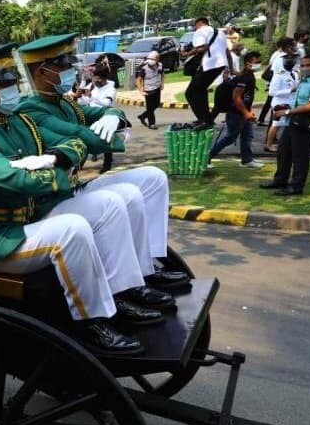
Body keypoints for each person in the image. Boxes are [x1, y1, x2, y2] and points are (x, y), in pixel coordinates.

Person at [0, 44, 184, 354]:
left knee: (111, 205)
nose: (13, 88)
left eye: (12, 80)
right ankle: (92, 320)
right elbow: (16, 180)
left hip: (29, 220)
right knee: (71, 229)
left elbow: (74, 142)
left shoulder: (19, 122)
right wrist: (54, 170)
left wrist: (52, 159)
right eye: (4, 82)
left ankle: (123, 291)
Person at [16, 33, 188, 294]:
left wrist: (114, 117)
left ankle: (149, 265)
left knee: (153, 178)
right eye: (62, 65)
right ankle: (123, 288)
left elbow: (111, 112)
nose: (69, 70)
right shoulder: (30, 110)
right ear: (41, 72)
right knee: (119, 200)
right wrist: (112, 136)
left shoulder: (64, 104)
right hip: (49, 203)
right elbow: (87, 138)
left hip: (71, 190)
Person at [260, 53, 310, 196]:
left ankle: (296, 187)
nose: (305, 68)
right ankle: (280, 180)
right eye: (302, 65)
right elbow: (298, 99)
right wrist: (286, 108)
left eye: (309, 65)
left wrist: (287, 112)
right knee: (283, 151)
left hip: (304, 122)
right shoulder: (305, 80)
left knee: (300, 156)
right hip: (294, 120)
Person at [208, 51, 264, 168]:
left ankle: (247, 160)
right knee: (230, 137)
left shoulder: (248, 75)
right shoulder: (245, 77)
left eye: (259, 62)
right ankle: (206, 158)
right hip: (236, 113)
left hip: (243, 112)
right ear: (247, 63)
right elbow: (236, 97)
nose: (258, 64)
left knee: (247, 136)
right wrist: (246, 113)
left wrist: (247, 112)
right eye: (256, 62)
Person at [180, 17, 233, 126]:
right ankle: (205, 119)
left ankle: (205, 120)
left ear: (198, 24)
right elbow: (227, 52)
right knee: (201, 90)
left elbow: (202, 48)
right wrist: (230, 69)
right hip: (220, 65)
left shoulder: (200, 31)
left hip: (210, 65)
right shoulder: (220, 33)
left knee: (190, 93)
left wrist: (187, 54)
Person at [257, 37, 299, 127]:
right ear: (288, 47)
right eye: (294, 45)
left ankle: (266, 124)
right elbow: (276, 72)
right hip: (279, 85)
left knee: (272, 106)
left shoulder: (284, 56)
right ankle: (270, 135)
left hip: (281, 85)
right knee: (275, 109)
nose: (296, 47)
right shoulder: (280, 57)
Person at [264, 54, 299, 153]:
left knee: (289, 124)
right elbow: (272, 92)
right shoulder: (278, 76)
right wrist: (290, 90)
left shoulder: (294, 74)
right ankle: (269, 145)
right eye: (288, 60)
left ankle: (288, 144)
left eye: (292, 59)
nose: (291, 62)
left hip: (290, 103)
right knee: (276, 124)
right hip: (280, 103)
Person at [136, 51, 164, 130]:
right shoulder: (144, 69)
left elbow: (162, 73)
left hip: (157, 88)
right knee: (150, 108)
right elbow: (138, 80)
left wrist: (162, 83)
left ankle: (142, 116)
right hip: (148, 90)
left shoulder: (160, 65)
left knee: (157, 104)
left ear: (157, 59)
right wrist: (141, 91)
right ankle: (152, 124)